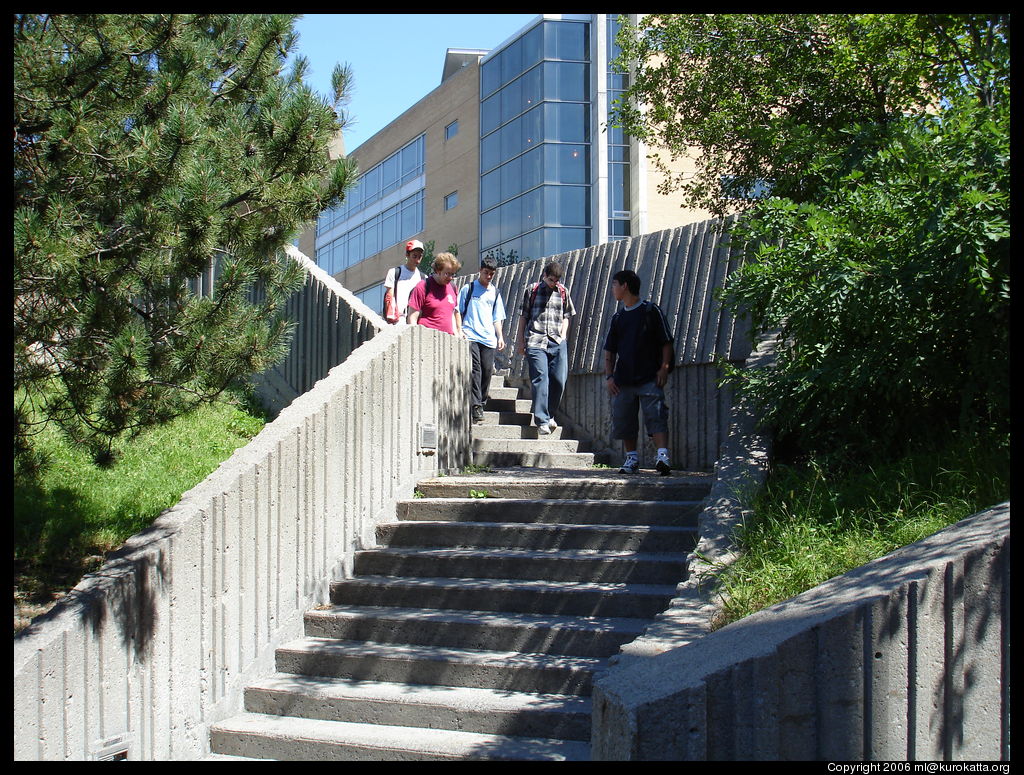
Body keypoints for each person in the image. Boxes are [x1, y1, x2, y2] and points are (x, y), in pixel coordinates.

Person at [602, 269, 676, 475]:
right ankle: (632, 459)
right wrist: (609, 376)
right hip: (623, 380)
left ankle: (663, 457)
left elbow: (666, 341)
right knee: (624, 420)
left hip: (650, 377)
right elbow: (610, 349)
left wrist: (664, 367)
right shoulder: (618, 318)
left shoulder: (651, 311)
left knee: (657, 415)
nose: (613, 289)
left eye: (615, 284)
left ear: (625, 286)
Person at [515, 261, 576, 435]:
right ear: (544, 275)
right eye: (551, 279)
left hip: (557, 341)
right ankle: (541, 420)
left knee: (559, 379)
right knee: (540, 378)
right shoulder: (532, 290)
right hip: (535, 340)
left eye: (556, 280)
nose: (553, 283)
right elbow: (523, 316)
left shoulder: (563, 291)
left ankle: (550, 415)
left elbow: (567, 315)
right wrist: (521, 341)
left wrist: (563, 336)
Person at [458, 256, 507, 424]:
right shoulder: (469, 289)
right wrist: (460, 331)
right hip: (471, 334)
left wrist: (500, 337)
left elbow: (497, 318)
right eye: (486, 273)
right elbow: (458, 311)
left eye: (491, 274)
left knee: (487, 371)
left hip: (488, 338)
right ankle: (476, 405)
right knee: (476, 370)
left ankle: (481, 401)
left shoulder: (495, 293)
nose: (488, 276)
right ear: (480, 270)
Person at [406, 252, 464, 337]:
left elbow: (452, 313)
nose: (450, 278)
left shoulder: (453, 287)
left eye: (453, 274)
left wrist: (457, 333)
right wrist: (415, 339)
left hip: (448, 341)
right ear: (438, 271)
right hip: (427, 339)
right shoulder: (423, 286)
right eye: (447, 274)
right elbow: (412, 317)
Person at [382, 239, 425, 325]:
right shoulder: (394, 272)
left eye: (419, 257)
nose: (417, 260)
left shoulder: (423, 278)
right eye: (414, 256)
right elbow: (389, 296)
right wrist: (391, 317)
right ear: (407, 255)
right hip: (398, 320)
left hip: (415, 320)